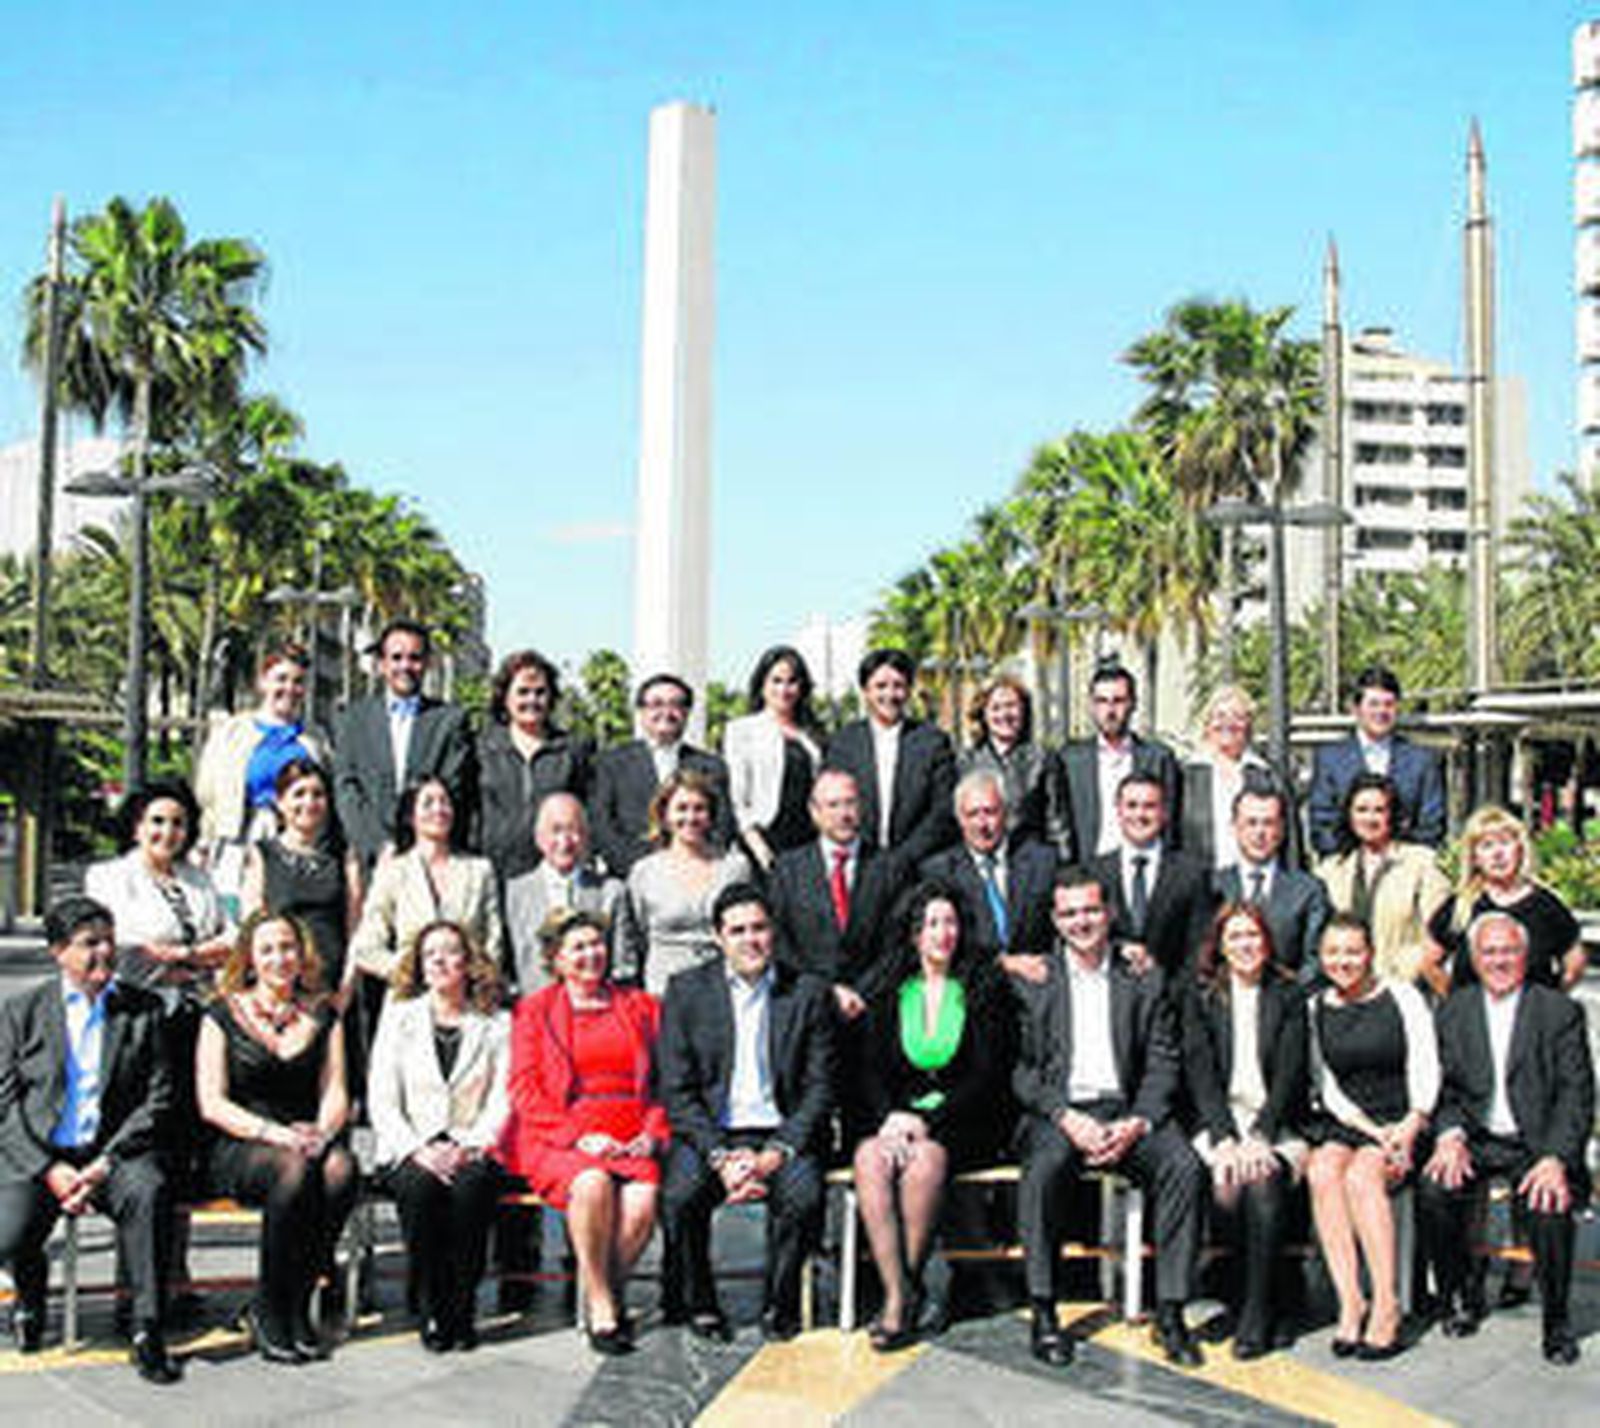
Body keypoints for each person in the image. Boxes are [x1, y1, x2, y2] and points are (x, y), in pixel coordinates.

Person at [1011, 869, 1206, 1369]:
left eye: (1091, 910)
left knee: (1182, 1164)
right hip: (1061, 1114)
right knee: (1041, 1170)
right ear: (1055, 920)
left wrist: (1139, 1121)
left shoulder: (1141, 975)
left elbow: (1165, 1061)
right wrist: (1063, 1115)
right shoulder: (1035, 981)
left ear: (1109, 913)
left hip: (1126, 1110)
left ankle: (1171, 1311)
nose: (1082, 921)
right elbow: (1020, 1072)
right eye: (1070, 913)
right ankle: (1044, 1310)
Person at [0, 897, 182, 1383]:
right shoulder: (22, 1011)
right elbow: (5, 1105)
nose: (105, 953)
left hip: (114, 1152)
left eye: (109, 940)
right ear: (58, 951)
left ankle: (147, 1327)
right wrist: (47, 1169)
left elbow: (158, 1100)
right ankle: (30, 1294)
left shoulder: (143, 1009)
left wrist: (106, 1161)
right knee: (11, 1229)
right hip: (42, 1154)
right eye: (89, 944)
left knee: (148, 1192)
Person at [659, 884, 835, 1343]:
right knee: (680, 1195)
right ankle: (700, 1304)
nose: (750, 939)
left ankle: (780, 1305)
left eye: (759, 928)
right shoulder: (686, 991)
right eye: (737, 930)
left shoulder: (808, 992)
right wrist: (721, 1156)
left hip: (782, 1132)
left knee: (803, 1196)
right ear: (718, 937)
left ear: (773, 932)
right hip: (713, 1133)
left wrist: (777, 1151)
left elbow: (819, 1089)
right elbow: (678, 1092)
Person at [1419, 913, 1594, 1366]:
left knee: (1549, 1203)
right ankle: (1460, 1294)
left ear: (1526, 955)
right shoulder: (1454, 1011)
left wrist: (1556, 1157)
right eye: (1490, 952)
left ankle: (1556, 1321)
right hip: (1477, 1137)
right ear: (1474, 959)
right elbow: (1445, 1090)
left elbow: (1577, 1094)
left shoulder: (1558, 1011)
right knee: (1435, 1188)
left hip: (1537, 1142)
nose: (1500, 960)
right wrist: (1450, 1136)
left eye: (1510, 951)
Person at [499, 909, 667, 1354]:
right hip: (559, 1132)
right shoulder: (534, 1012)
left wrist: (652, 1133)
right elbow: (525, 1088)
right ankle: (601, 1304)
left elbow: (664, 1082)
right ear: (556, 959)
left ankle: (604, 1282)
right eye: (578, 947)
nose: (592, 954)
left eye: (597, 944)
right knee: (591, 1184)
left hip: (630, 1132)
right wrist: (579, 1136)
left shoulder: (640, 1006)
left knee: (643, 1198)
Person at [853, 883, 1010, 1350]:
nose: (942, 934)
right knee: (870, 1159)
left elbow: (987, 1075)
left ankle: (899, 1300)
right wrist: (891, 1118)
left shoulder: (983, 985)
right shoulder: (889, 988)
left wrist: (929, 1123)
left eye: (950, 922)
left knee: (924, 1163)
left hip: (964, 1121)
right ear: (913, 934)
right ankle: (901, 1289)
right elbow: (871, 1071)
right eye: (931, 924)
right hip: (897, 1119)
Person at [196, 912, 357, 1364]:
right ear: (249, 957)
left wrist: (322, 1132)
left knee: (341, 1169)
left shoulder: (324, 1012)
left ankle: (296, 1297)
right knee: (294, 1169)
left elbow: (336, 1091)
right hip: (243, 1141)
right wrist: (276, 1135)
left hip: (304, 1137)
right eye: (267, 949)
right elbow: (212, 1102)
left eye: (287, 947)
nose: (279, 958)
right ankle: (270, 1306)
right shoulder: (221, 1013)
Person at [367, 920, 510, 1352]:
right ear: (419, 964)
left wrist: (472, 1144)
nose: (441, 962)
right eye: (431, 955)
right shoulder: (398, 1017)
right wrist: (418, 1149)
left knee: (473, 1188)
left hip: (473, 1142)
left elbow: (504, 1097)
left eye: (451, 952)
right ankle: (430, 1307)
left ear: (469, 962)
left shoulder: (497, 1022)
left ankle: (462, 1307)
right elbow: (382, 1097)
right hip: (411, 1145)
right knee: (418, 1187)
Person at [1304, 914, 1438, 1361]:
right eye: (1333, 952)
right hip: (1353, 1119)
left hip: (1406, 1117)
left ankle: (1386, 1302)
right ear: (1321, 957)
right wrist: (1368, 1129)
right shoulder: (1315, 1008)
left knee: (1363, 1178)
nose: (1343, 961)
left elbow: (1425, 1065)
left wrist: (1408, 1125)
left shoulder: (1402, 997)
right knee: (1322, 1170)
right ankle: (1350, 1300)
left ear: (1370, 953)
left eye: (1353, 951)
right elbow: (1325, 1086)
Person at [1180, 904, 1309, 1359]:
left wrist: (1261, 1134)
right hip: (1220, 1122)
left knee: (1263, 1179)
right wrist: (1225, 1137)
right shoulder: (1201, 995)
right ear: (1220, 946)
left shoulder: (1289, 994)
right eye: (1234, 937)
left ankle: (1258, 1310)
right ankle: (1244, 1290)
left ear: (1267, 941)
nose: (1245, 946)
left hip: (1277, 1122)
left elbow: (1291, 1074)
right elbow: (1200, 1073)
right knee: (1226, 1187)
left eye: (1253, 935)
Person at [193, 644, 333, 904]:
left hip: (296, 842)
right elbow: (207, 794)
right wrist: (203, 844)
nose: (289, 689)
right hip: (240, 839)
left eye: (297, 682)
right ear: (262, 682)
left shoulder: (315, 739)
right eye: (281, 679)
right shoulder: (231, 733)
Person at [333, 618, 474, 870]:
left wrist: (419, 848)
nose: (405, 666)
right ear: (382, 664)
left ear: (427, 663)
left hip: (431, 859)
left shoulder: (450, 721)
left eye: (414, 658)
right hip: (369, 860)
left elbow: (453, 786)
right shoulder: (352, 719)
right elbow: (347, 788)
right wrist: (378, 846)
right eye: (396, 657)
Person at [352, 777, 504, 999]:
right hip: (409, 1001)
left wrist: (471, 976)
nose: (439, 809)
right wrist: (409, 971)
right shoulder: (394, 871)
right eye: (428, 803)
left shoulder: (479, 870)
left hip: (469, 999)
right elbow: (365, 947)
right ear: (410, 816)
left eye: (445, 802)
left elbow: (494, 941)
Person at [84, 780, 234, 997]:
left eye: (178, 823)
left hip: (201, 998)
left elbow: (231, 936)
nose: (168, 832)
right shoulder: (108, 877)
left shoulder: (200, 879)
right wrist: (199, 956)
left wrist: (184, 953)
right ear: (137, 828)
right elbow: (122, 945)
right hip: (135, 1000)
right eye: (157, 821)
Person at [240, 758, 363, 1013]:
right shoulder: (263, 855)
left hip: (331, 987)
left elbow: (356, 928)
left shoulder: (344, 855)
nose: (309, 803)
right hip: (280, 985)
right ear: (280, 802)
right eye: (299, 794)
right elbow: (252, 927)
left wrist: (346, 988)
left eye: (317, 794)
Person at [616, 770, 751, 996]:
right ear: (665, 815)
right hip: (663, 991)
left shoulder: (734, 868)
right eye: (681, 808)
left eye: (699, 808)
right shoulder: (645, 872)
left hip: (723, 988)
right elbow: (634, 936)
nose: (690, 817)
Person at [1426, 805, 1585, 993]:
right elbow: (1429, 963)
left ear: (1519, 849)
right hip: (1475, 1018)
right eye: (1487, 846)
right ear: (1475, 858)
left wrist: (1549, 1005)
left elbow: (1574, 965)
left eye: (1504, 843)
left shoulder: (1546, 906)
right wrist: (1456, 1004)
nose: (1497, 854)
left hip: (1530, 1018)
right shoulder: (1460, 906)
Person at [588, 673, 734, 878]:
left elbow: (723, 827)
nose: (666, 712)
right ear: (641, 711)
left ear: (686, 712)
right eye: (656, 704)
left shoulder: (711, 766)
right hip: (629, 879)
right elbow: (602, 828)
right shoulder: (611, 764)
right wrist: (644, 872)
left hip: (696, 878)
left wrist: (692, 865)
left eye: (676, 704)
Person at [1316, 774, 1450, 994]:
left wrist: (1408, 972)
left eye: (1379, 810)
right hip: (1344, 991)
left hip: (1404, 988)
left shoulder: (1422, 864)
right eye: (1361, 810)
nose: (1370, 818)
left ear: (1392, 814)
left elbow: (1436, 938)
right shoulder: (1331, 870)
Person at [823, 648, 957, 866]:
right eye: (880, 686)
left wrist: (904, 857)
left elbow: (943, 809)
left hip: (920, 864)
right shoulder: (843, 743)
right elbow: (833, 804)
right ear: (865, 691)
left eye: (898, 686)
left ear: (909, 690)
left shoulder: (933, 741)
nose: (890, 695)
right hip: (859, 864)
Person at [474, 648, 593, 884]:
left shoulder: (572, 750)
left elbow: (585, 811)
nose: (532, 700)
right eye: (523, 692)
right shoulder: (481, 748)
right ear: (505, 697)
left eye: (540, 693)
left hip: (553, 874)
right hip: (492, 871)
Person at [918, 769, 1058, 970]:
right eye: (972, 814)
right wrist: (1002, 963)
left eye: (990, 812)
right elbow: (939, 944)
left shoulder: (1042, 863)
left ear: (1006, 813)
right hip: (973, 984)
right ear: (959, 819)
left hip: (1037, 982)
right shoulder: (939, 872)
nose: (982, 824)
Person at [1308, 665, 1446, 858]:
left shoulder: (1422, 760)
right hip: (1345, 869)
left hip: (1406, 868)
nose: (1381, 711)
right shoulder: (1330, 759)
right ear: (1356, 709)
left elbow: (1432, 824)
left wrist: (1399, 859)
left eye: (1388, 704)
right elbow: (1322, 823)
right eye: (1373, 704)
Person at [1089, 773, 1215, 982]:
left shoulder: (1192, 874)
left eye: (1149, 806)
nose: (1140, 814)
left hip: (1171, 1000)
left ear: (1164, 812)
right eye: (1131, 805)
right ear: (1118, 811)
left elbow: (1198, 946)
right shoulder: (1094, 872)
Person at [503, 793, 625, 995]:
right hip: (536, 1013)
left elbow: (623, 967)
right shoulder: (514, 893)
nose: (565, 841)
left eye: (573, 831)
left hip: (596, 1013)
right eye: (556, 830)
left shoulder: (611, 892)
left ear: (586, 837)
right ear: (539, 837)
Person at [1060, 661, 1183, 857]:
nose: (1110, 711)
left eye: (1118, 700)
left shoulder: (1159, 758)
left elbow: (1172, 825)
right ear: (1091, 706)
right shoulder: (1070, 760)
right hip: (1089, 869)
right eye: (1101, 701)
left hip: (1144, 868)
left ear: (1133, 703)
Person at [722, 644, 824, 872]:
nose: (784, 689)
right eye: (776, 681)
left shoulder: (811, 735)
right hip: (763, 840)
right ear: (761, 685)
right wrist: (756, 844)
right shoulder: (742, 730)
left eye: (791, 681)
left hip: (805, 840)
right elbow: (737, 797)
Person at [1214, 786, 1330, 984]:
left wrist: (1285, 999)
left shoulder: (1309, 890)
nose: (1260, 832)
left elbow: (1316, 959)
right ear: (1234, 827)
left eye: (1268, 823)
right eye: (1251, 823)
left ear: (1282, 828)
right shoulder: (1210, 887)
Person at [1179, 685, 1293, 871]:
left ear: (1249, 725)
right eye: (1220, 716)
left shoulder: (1270, 775)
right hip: (1200, 886)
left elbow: (1289, 841)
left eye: (1238, 717)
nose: (1228, 724)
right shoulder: (1185, 776)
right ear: (1207, 725)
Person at [959, 674, 1072, 857]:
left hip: (1030, 864)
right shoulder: (966, 762)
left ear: (1024, 711)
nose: (1004, 715)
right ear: (983, 714)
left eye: (1011, 706)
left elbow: (1057, 823)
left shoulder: (1043, 759)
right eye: (995, 708)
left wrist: (1063, 868)